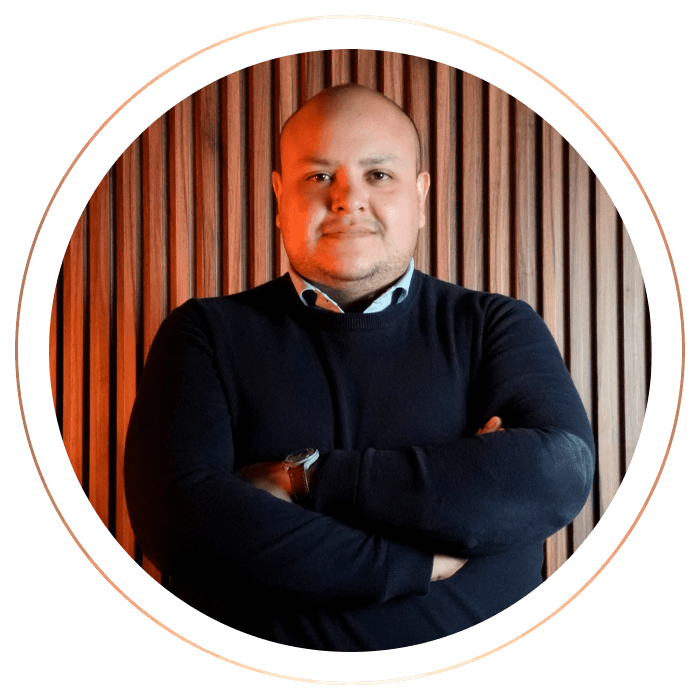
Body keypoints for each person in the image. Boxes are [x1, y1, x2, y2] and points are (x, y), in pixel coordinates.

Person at [124, 83, 595, 652]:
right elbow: (180, 523)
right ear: (280, 196)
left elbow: (555, 473)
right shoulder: (203, 333)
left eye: (378, 174)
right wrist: (416, 560)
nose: (347, 199)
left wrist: (305, 480)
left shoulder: (496, 326)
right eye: (319, 175)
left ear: (420, 196)